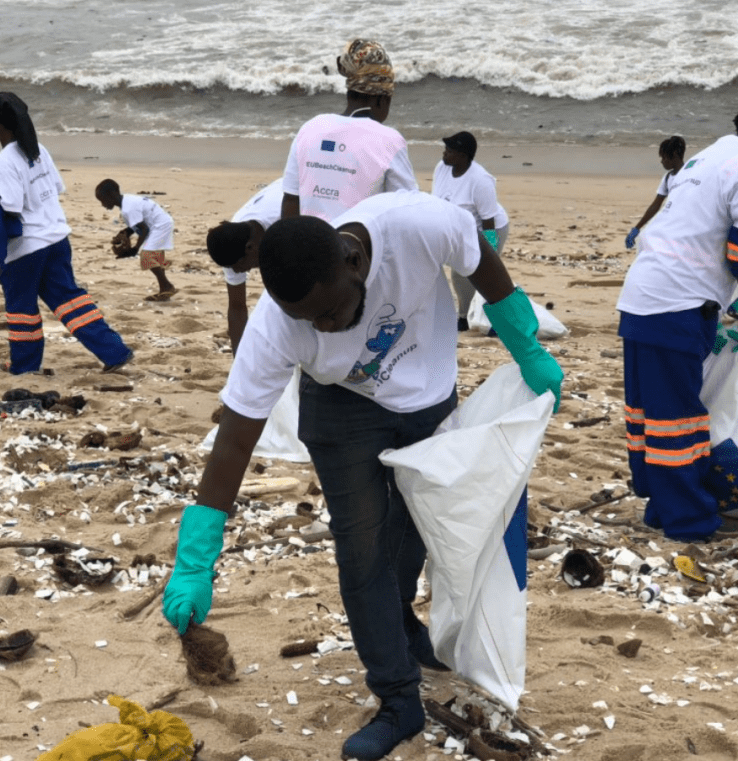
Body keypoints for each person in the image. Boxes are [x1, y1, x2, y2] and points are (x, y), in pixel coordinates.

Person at [163, 190, 563, 761]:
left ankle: (397, 620)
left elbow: (480, 257)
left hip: (427, 393)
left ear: (352, 261)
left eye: (331, 311)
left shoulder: (417, 225)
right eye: (309, 320)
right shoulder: (278, 326)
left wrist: (526, 346)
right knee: (363, 546)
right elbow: (234, 438)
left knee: (417, 527)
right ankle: (398, 697)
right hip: (341, 410)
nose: (324, 328)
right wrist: (195, 558)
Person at [616, 81, 738, 542]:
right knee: (679, 419)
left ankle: (663, 507)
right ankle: (690, 521)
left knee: (650, 414)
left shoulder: (709, 156)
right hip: (676, 304)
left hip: (643, 297)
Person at [0, 92, 133, 375]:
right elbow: (58, 187)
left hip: (26, 247)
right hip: (56, 237)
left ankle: (25, 366)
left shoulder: (4, 161)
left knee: (22, 308)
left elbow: (11, 205)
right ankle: (113, 351)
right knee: (70, 301)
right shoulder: (38, 149)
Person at [281, 39, 417, 222]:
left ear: (349, 91)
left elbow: (290, 199)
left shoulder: (311, 128)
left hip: (307, 245)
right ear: (381, 99)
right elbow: (406, 209)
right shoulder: (389, 141)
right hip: (355, 247)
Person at [431, 130, 510, 330]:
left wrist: (489, 256)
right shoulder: (442, 168)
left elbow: (488, 220)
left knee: (486, 277)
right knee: (460, 275)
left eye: (449, 151)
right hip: (460, 231)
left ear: (463, 156)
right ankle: (464, 317)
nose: (444, 154)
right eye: (445, 149)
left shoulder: (480, 180)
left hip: (488, 230)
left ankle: (498, 321)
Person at [205, 177, 283, 354]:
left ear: (250, 248)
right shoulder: (232, 243)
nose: (237, 272)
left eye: (238, 267)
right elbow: (237, 307)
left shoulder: (284, 219)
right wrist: (238, 364)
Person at [95, 179, 177, 302]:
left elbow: (144, 229)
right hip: (161, 222)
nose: (103, 205)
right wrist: (126, 232)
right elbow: (138, 225)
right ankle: (164, 290)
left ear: (111, 195)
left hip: (160, 225)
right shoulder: (127, 201)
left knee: (147, 257)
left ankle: (167, 286)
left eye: (103, 201)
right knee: (155, 257)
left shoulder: (128, 208)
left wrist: (135, 249)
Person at [625, 135, 687, 250]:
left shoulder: (691, 174)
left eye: (663, 158)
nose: (662, 162)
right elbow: (656, 205)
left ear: (673, 155)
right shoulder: (668, 177)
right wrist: (637, 228)